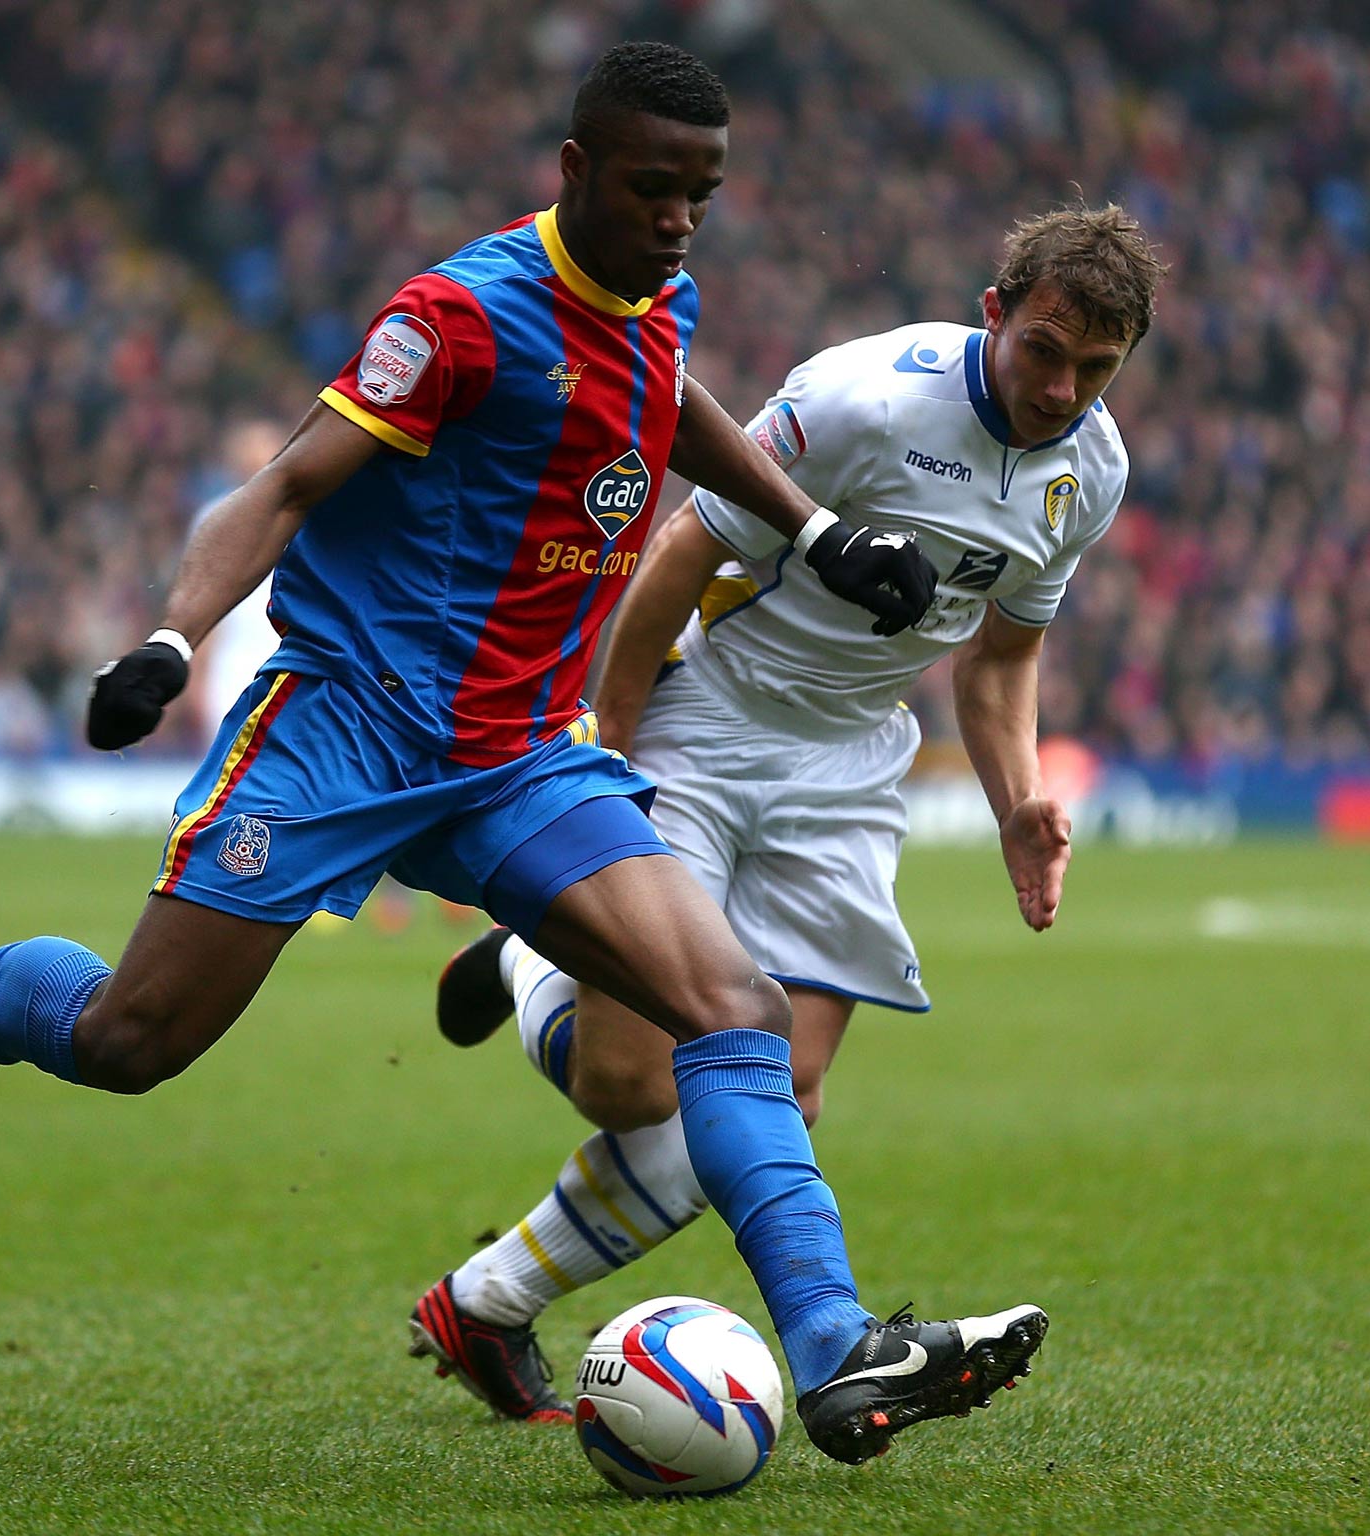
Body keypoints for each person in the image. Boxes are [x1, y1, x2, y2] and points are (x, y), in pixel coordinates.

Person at [0, 43, 1036, 1467]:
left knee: (731, 1006)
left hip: (523, 757)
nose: (678, 220)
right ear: (575, 172)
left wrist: (808, 531)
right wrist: (175, 642)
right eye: (653, 189)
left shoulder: (658, 293)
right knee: (130, 1042)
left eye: (702, 195)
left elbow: (669, 403)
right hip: (346, 733)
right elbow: (289, 480)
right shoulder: (461, 315)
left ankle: (837, 1348)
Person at [415, 204, 1165, 1430]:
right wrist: (604, 757)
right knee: (625, 1085)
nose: (1061, 387)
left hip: (851, 767)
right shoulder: (862, 400)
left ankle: (486, 1302)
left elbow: (996, 662)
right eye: (1043, 349)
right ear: (993, 312)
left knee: (775, 1095)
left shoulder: (1093, 469)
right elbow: (673, 552)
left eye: (1096, 368)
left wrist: (1017, 798)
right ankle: (539, 947)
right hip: (706, 719)